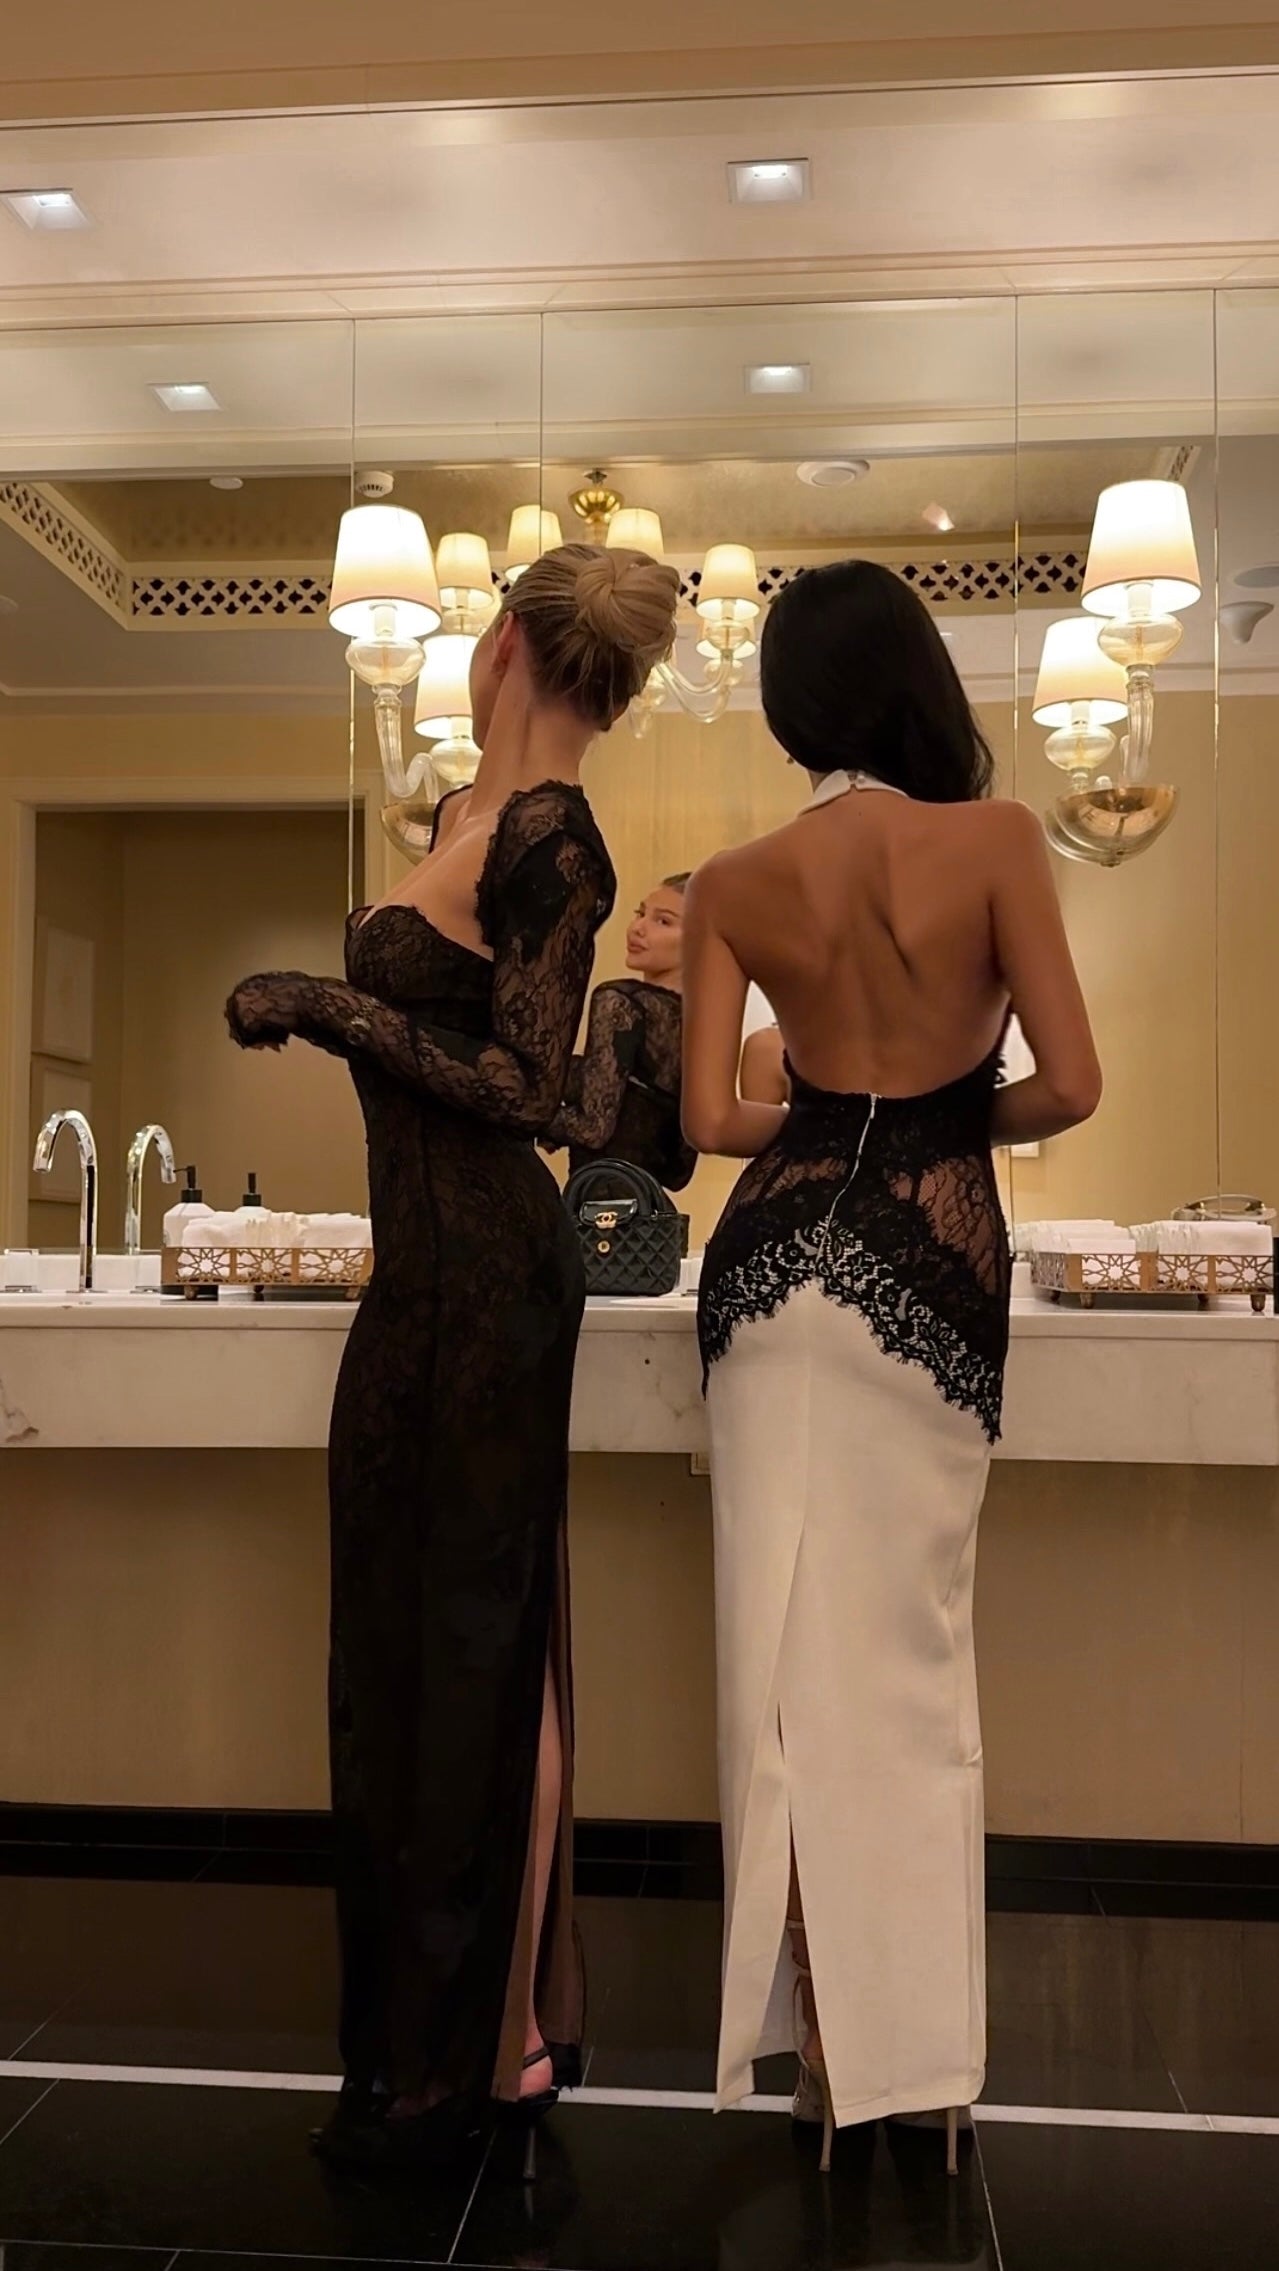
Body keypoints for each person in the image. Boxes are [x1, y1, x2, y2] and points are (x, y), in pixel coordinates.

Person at [226, 540, 680, 2175]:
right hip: (417, 1278)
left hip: (493, 1275)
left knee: (481, 1645)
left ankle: (475, 2048)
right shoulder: (457, 819)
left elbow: (531, 1092)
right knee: (398, 1641)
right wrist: (341, 1010)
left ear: (501, 643)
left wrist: (328, 1004)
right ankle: (430, 2037)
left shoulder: (556, 839)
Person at [681, 559, 1101, 2176]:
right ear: (913, 677)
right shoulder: (991, 841)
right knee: (909, 1667)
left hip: (766, 1269)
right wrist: (933, 1119)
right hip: (928, 1262)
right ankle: (913, 2071)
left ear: (790, 706)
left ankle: (809, 2059)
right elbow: (1069, 1084)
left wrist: (823, 1110)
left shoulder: (735, 877)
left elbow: (709, 1119)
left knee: (777, 1676)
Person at [543, 873, 695, 1191]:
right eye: (641, 913)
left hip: (598, 1203)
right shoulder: (703, 1027)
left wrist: (526, 1114)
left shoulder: (621, 1001)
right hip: (648, 1209)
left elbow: (591, 1129)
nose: (637, 927)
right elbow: (678, 1172)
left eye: (663, 921)